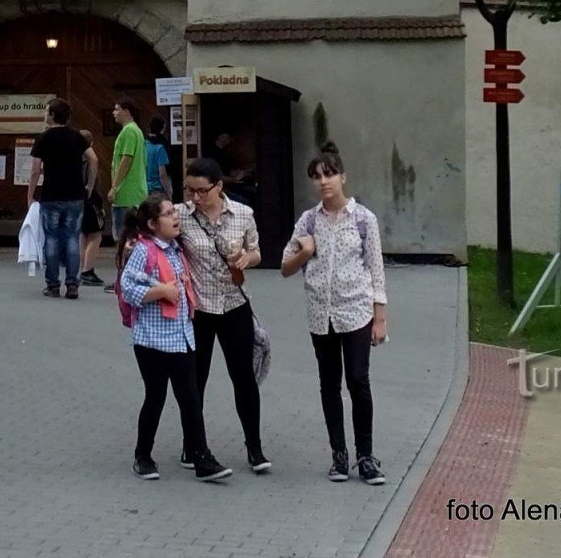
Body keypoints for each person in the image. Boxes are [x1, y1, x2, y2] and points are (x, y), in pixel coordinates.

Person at [281, 144, 388, 486]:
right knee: (329, 383)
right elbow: (285, 267)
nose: (323, 182)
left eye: (329, 174)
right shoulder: (309, 221)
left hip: (355, 310)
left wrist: (380, 316)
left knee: (357, 380)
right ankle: (339, 456)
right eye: (316, 176)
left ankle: (366, 456)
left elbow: (376, 268)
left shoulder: (363, 219)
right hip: (320, 314)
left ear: (343, 177)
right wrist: (305, 252)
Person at [117, 194, 232, 483]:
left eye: (173, 212)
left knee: (190, 399)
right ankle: (143, 455)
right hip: (152, 341)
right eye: (168, 214)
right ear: (153, 223)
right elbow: (126, 287)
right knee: (155, 398)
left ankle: (201, 456)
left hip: (181, 338)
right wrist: (161, 293)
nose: (175, 217)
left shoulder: (175, 250)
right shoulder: (144, 251)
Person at [178, 158, 270, 473]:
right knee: (194, 380)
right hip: (199, 309)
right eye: (190, 190)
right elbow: (155, 234)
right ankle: (193, 445)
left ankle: (254, 448)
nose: (196, 197)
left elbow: (257, 251)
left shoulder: (243, 214)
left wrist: (247, 258)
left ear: (219, 186)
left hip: (234, 306)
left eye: (202, 190)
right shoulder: (181, 215)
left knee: (243, 378)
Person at [28, 98, 88, 300]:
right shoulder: (76, 137)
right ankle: (73, 284)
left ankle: (53, 285)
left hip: (51, 195)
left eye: (47, 111)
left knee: (51, 239)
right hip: (74, 195)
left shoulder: (43, 138)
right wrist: (88, 184)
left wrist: (30, 195)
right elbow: (94, 159)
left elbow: (36, 170)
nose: (45, 115)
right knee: (72, 238)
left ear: (53, 115)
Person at [107, 96, 147, 244]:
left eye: (117, 109)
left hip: (126, 192)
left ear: (127, 111)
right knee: (133, 236)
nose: (113, 113)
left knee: (123, 237)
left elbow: (126, 159)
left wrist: (114, 187)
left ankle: (124, 266)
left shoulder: (128, 131)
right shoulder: (136, 130)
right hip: (135, 191)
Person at [79, 128, 106, 287]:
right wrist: (100, 204)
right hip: (91, 200)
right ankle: (87, 270)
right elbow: (96, 185)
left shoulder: (75, 159)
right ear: (91, 143)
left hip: (78, 201)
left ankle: (83, 267)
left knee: (83, 235)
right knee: (96, 235)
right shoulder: (91, 161)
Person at [145, 117, 173, 199]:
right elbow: (162, 174)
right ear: (163, 128)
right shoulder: (161, 147)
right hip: (158, 189)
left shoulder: (143, 144)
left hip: (144, 188)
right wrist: (169, 192)